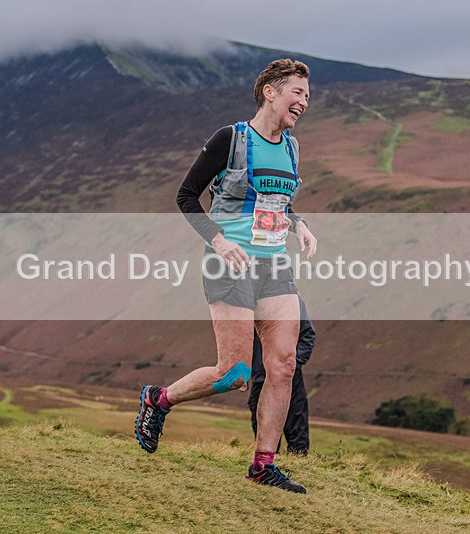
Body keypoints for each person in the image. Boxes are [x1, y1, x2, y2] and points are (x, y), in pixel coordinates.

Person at [136, 59, 317, 493]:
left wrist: (300, 224)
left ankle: (263, 465)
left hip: (274, 267)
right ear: (270, 92)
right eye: (297, 92)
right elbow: (185, 196)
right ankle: (158, 400)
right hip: (228, 265)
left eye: (308, 97)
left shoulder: (292, 148)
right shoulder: (230, 139)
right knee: (233, 374)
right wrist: (217, 240)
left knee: (284, 365)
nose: (304, 102)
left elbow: (276, 203)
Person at [248, 293, 315, 455]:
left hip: (289, 378)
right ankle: (266, 465)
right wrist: (243, 369)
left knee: (296, 427)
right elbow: (245, 340)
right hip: (261, 376)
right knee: (261, 424)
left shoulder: (294, 300)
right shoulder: (250, 301)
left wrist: (289, 364)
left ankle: (301, 469)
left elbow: (307, 335)